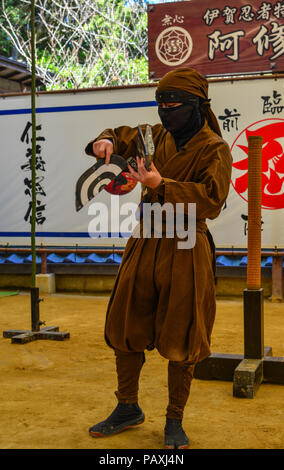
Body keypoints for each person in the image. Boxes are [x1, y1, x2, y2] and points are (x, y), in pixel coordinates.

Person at [85, 68, 232, 449]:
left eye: (175, 105)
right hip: (145, 239)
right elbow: (119, 136)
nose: (167, 112)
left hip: (186, 245)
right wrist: (104, 141)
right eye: (161, 105)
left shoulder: (214, 147)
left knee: (182, 332)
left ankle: (174, 420)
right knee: (125, 321)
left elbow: (212, 200)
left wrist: (161, 185)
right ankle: (127, 407)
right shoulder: (154, 136)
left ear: (196, 106)